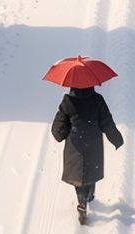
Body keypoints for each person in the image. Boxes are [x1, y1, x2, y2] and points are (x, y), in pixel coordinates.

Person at [51, 86, 123, 224]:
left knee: (78, 176)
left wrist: (63, 134)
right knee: (91, 170)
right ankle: (89, 195)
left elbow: (58, 128)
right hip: (93, 143)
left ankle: (82, 202)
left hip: (75, 145)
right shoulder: (97, 100)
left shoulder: (68, 101)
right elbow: (107, 122)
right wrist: (116, 139)